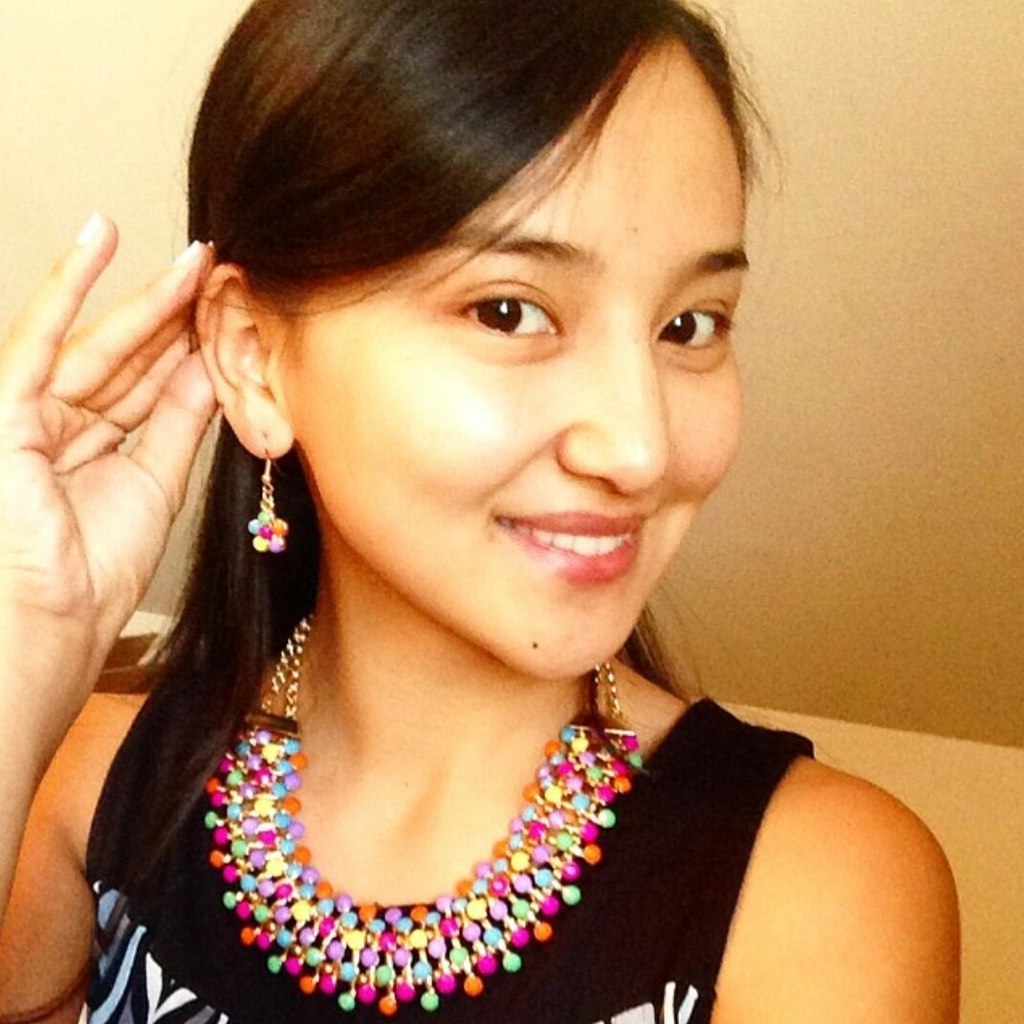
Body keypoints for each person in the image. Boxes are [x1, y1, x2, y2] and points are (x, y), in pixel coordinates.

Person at [0, 1, 959, 1021]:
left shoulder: (817, 892)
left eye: (690, 325)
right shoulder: (90, 790)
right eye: (509, 310)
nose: (639, 449)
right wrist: (23, 641)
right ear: (255, 358)